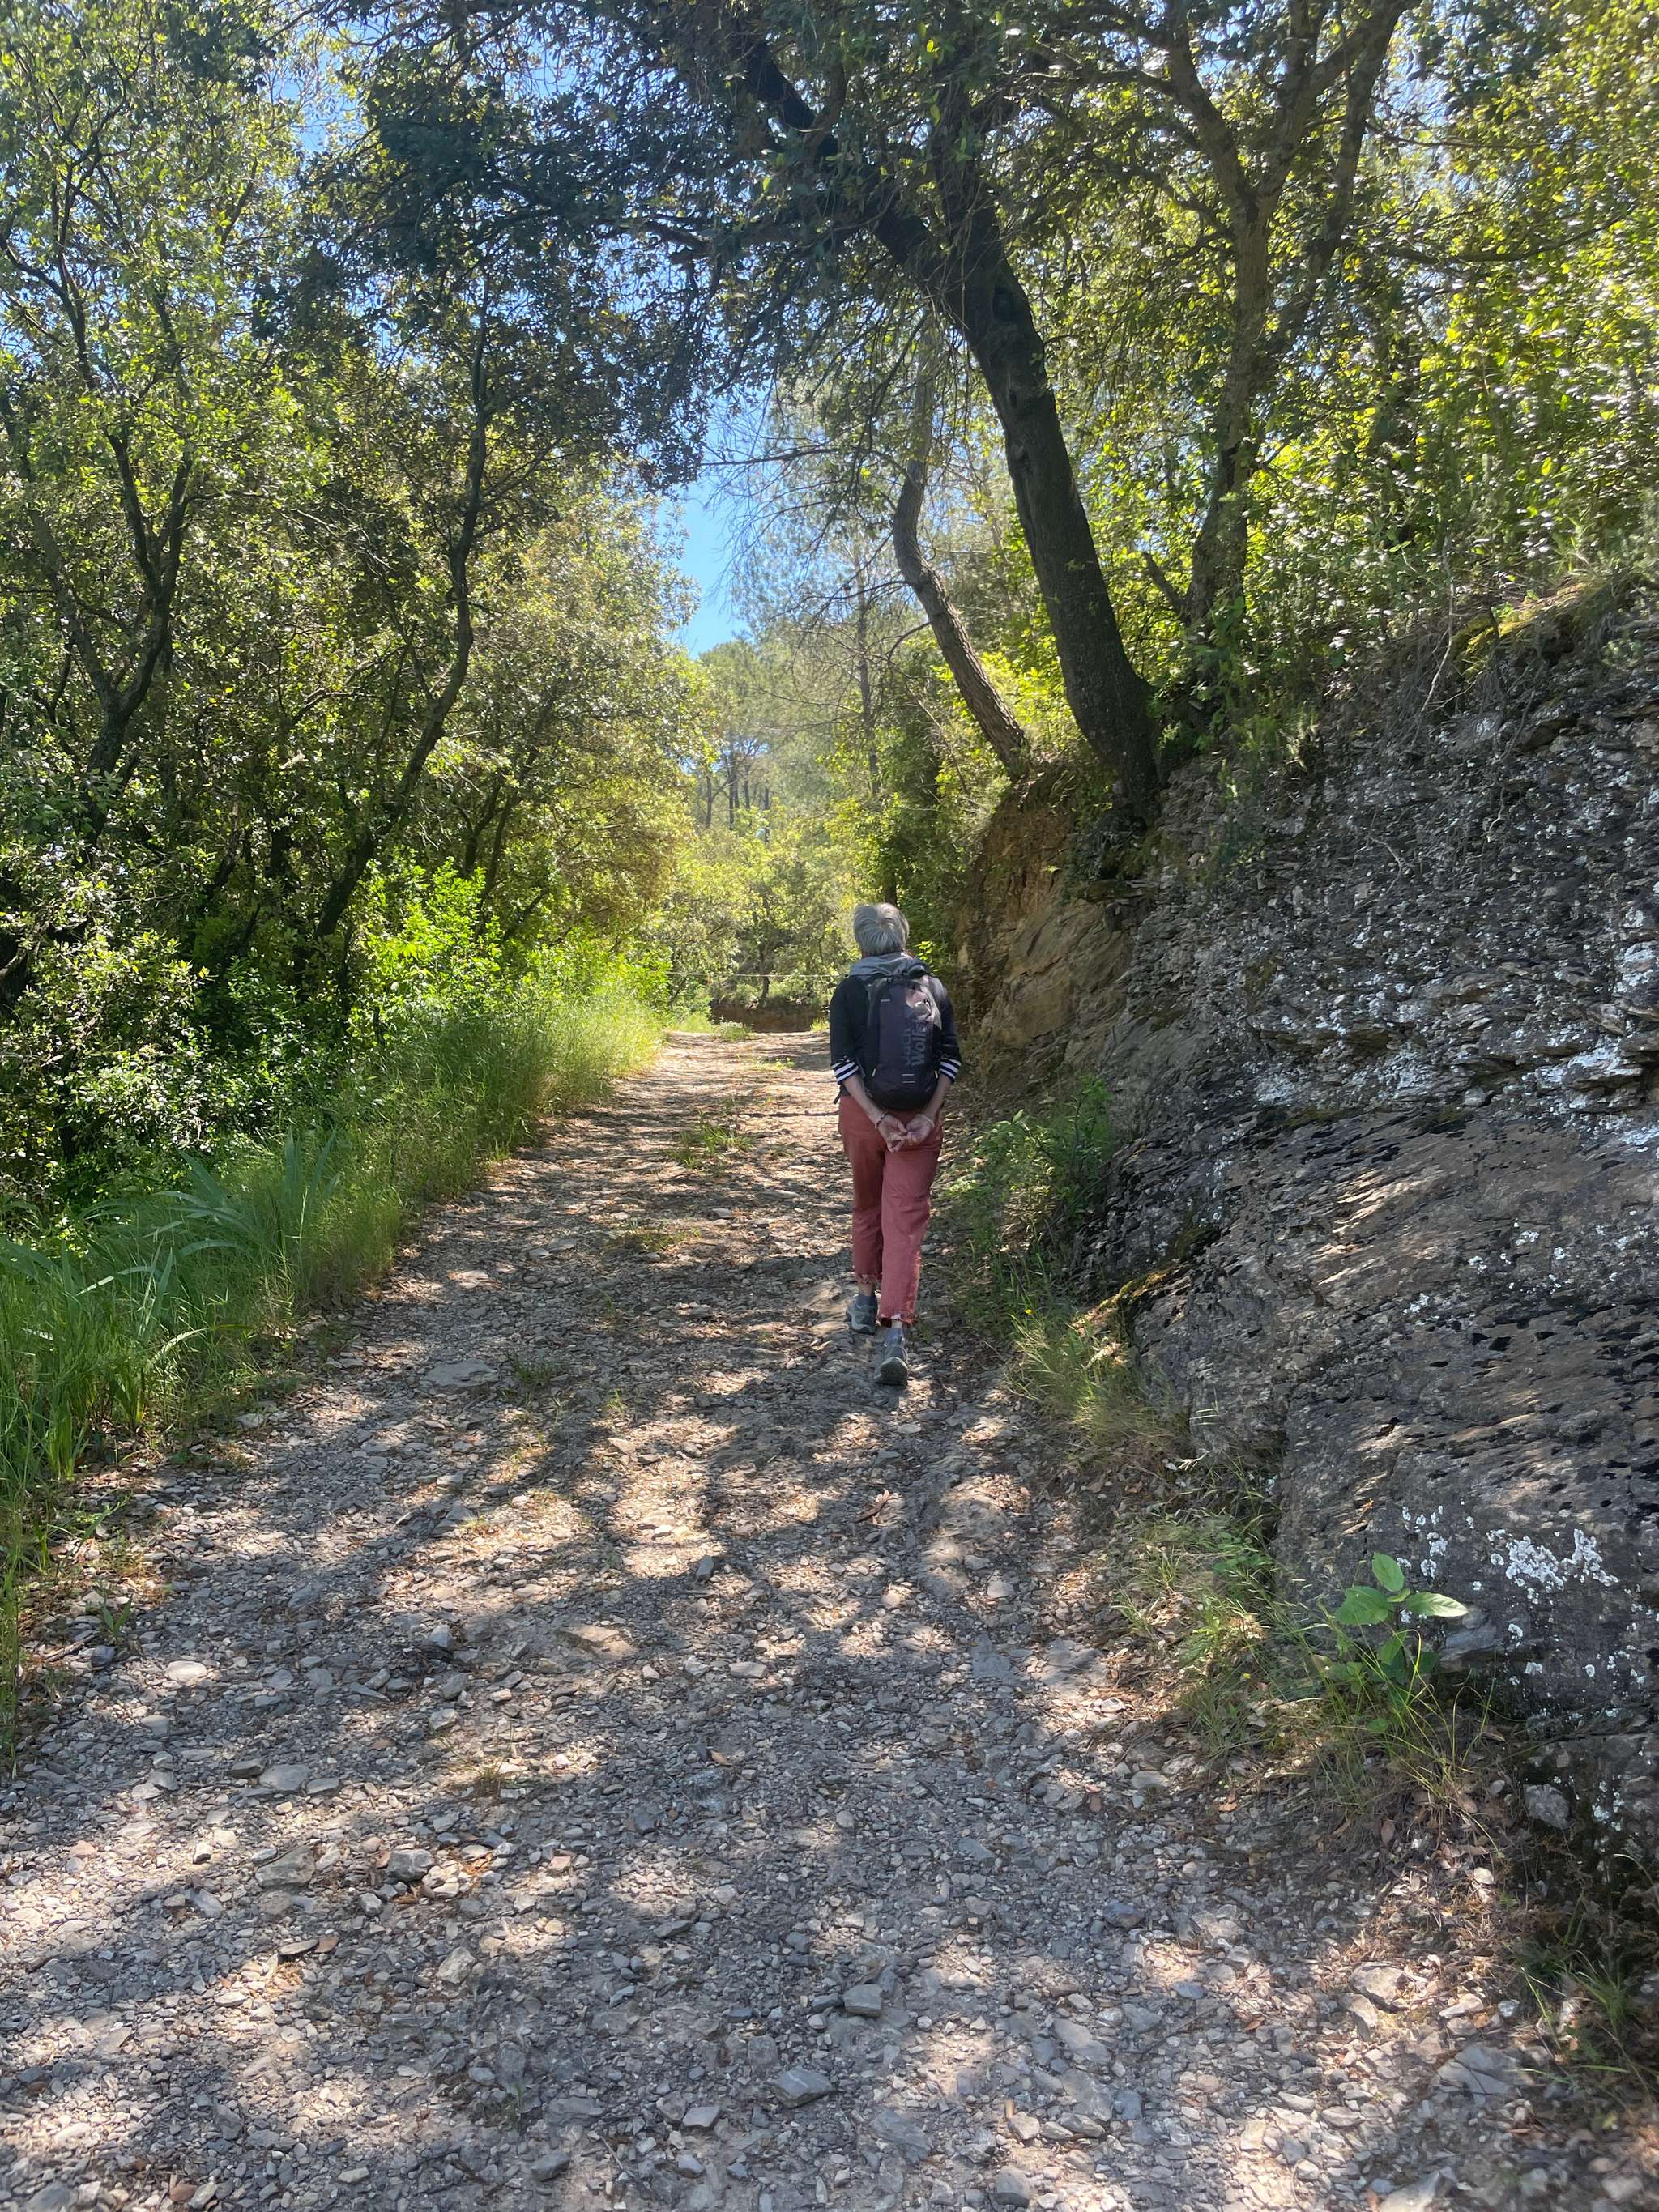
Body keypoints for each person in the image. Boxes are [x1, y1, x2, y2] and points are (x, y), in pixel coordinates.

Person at [828, 902, 962, 1387]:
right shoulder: (933, 987)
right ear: (903, 936)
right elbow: (950, 1060)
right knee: (905, 1222)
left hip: (864, 1118)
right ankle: (897, 1333)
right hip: (920, 1122)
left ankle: (865, 1303)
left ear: (861, 941)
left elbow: (843, 1065)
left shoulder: (849, 990)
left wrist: (878, 1118)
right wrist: (926, 1116)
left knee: (867, 1205)